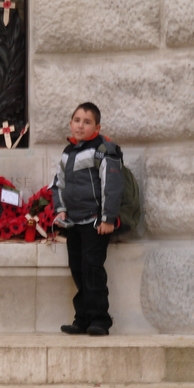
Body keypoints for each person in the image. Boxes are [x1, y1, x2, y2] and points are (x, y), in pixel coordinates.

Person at [50, 102, 123, 336]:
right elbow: (58, 184)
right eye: (77, 120)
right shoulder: (68, 153)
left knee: (92, 270)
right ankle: (82, 318)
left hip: (95, 223)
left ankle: (100, 319)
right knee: (78, 270)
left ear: (97, 127)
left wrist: (107, 218)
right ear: (71, 124)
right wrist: (60, 209)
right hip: (74, 223)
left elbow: (111, 185)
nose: (81, 125)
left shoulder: (103, 150)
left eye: (87, 121)